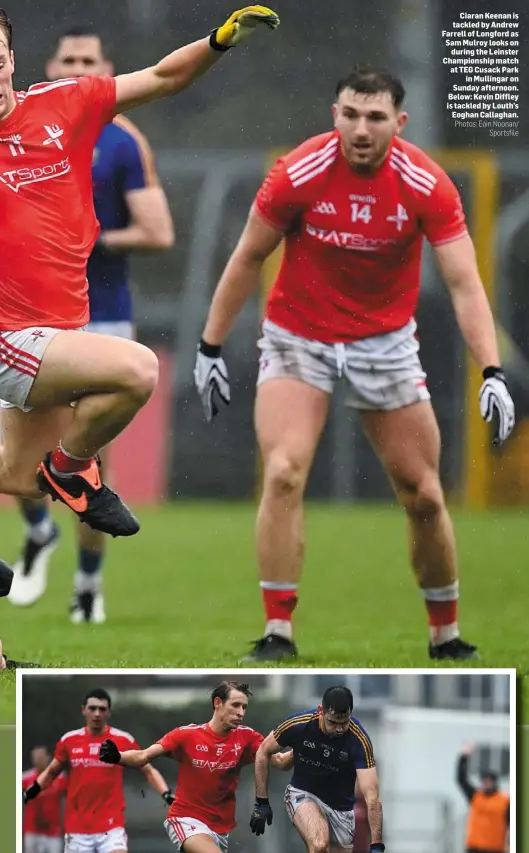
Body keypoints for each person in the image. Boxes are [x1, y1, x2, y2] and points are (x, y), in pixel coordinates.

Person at [194, 65, 515, 663]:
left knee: (422, 492)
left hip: (385, 342)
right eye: (349, 114)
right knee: (285, 471)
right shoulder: (298, 172)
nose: (360, 128)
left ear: (400, 121)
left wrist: (492, 370)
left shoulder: (427, 184)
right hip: (298, 334)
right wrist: (209, 347)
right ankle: (277, 631)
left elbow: (466, 284)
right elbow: (246, 257)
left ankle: (445, 633)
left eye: (374, 116)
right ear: (333, 114)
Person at [0, 4, 279, 666]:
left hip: (58, 333)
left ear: (10, 56)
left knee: (14, 476)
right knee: (138, 370)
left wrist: (217, 41)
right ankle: (71, 472)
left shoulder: (65, 106)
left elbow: (161, 77)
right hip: (11, 337)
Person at [7, 26, 175, 623]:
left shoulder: (119, 137)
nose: (76, 67)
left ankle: (87, 584)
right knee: (80, 462)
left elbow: (159, 232)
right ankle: (58, 506)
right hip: (22, 327)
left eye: (88, 61)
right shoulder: (30, 120)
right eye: (68, 59)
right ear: (47, 64)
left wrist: (87, 236)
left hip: (95, 314)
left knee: (40, 472)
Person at [99, 680, 292, 853]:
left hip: (219, 825)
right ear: (217, 703)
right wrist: (118, 757)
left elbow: (279, 762)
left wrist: (302, 745)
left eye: (244, 707)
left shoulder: (247, 738)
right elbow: (144, 755)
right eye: (235, 705)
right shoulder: (185, 735)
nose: (241, 712)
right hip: (185, 818)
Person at [23, 687, 174, 853]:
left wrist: (166, 793)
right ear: (83, 710)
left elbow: (147, 768)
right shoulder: (69, 740)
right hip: (77, 827)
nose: (96, 713)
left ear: (109, 712)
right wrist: (29, 793)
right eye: (92, 708)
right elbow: (51, 773)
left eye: (101, 709)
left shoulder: (122, 739)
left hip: (110, 826)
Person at [250, 684, 392, 853]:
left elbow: (371, 796)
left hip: (342, 810)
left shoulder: (359, 739)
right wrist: (261, 801)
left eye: (344, 722)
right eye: (333, 722)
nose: (339, 729)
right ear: (320, 711)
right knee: (319, 845)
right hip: (303, 794)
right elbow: (263, 751)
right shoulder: (297, 724)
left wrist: (377, 845)